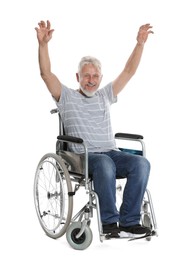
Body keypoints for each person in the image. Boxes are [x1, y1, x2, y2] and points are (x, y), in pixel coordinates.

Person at [35, 20, 153, 238]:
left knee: (141, 163)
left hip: (110, 152)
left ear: (100, 78)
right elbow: (46, 74)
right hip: (83, 156)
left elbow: (128, 71)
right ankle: (109, 223)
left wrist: (140, 44)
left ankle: (129, 221)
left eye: (95, 76)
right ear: (78, 77)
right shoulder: (67, 96)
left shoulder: (104, 95)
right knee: (105, 163)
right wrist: (43, 45)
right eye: (86, 76)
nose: (91, 81)